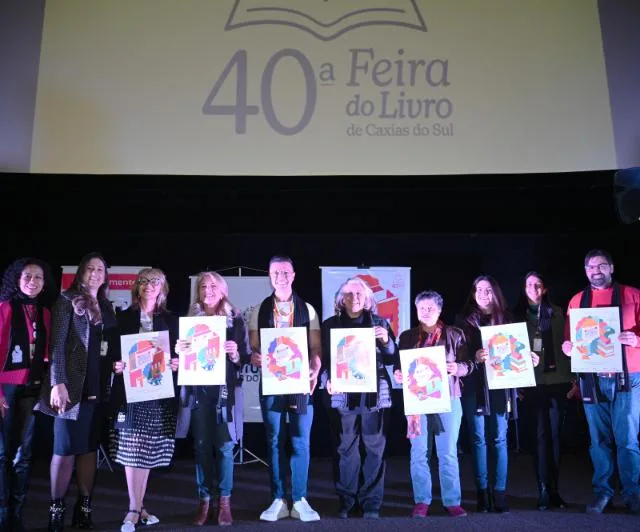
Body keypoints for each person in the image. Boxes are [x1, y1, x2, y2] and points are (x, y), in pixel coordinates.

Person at [36, 252, 117, 532]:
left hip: (98, 389)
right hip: (70, 388)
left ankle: (84, 508)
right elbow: (56, 345)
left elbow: (108, 347)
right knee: (64, 450)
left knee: (88, 450)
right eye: (90, 268)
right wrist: (57, 383)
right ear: (81, 272)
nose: (95, 273)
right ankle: (56, 509)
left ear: (105, 276)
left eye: (100, 270)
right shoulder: (66, 300)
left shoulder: (106, 307)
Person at [561, 249, 640, 514]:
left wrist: (637, 339)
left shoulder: (633, 295)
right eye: (590, 266)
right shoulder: (576, 301)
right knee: (598, 441)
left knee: (627, 440)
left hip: (629, 377)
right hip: (591, 378)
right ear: (585, 271)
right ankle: (603, 493)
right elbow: (569, 340)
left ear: (612, 267)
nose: (596, 270)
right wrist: (568, 347)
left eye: (601, 265)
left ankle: (633, 494)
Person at [457, 275, 539, 514]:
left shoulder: (509, 318)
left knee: (499, 439)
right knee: (478, 439)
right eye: (478, 289)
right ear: (473, 294)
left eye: (488, 289)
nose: (483, 293)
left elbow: (525, 346)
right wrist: (474, 357)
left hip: (501, 387)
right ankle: (483, 492)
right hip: (474, 387)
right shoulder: (463, 321)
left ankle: (499, 492)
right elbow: (457, 356)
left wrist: (531, 358)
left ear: (496, 292)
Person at [249, 255, 321, 522]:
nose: (281, 276)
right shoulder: (259, 309)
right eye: (276, 272)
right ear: (269, 276)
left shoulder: (308, 309)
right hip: (271, 383)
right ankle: (278, 499)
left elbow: (315, 349)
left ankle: (300, 499)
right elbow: (255, 348)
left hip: (300, 383)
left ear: (293, 275)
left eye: (285, 272)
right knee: (275, 441)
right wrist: (255, 357)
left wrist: (315, 366)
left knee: (301, 440)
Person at [175, 271, 250, 526]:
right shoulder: (189, 319)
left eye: (213, 286)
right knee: (202, 446)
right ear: (198, 291)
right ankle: (204, 500)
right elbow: (181, 355)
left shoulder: (235, 318)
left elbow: (246, 357)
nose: (208, 290)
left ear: (222, 290)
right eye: (204, 286)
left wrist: (235, 354)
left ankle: (225, 501)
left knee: (226, 446)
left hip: (225, 391)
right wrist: (179, 351)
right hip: (198, 390)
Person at [321, 277, 399, 519]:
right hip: (344, 396)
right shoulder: (330, 325)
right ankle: (347, 501)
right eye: (349, 294)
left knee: (375, 449)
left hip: (374, 396)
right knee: (346, 449)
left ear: (367, 299)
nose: (354, 298)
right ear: (340, 299)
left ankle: (372, 504)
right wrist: (327, 381)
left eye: (359, 294)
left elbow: (391, 359)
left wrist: (385, 341)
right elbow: (322, 362)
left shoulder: (380, 323)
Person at [109, 268, 179, 531]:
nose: (149, 286)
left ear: (163, 287)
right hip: (130, 393)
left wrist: (176, 363)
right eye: (144, 281)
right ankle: (134, 508)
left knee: (147, 451)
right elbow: (112, 355)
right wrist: (115, 365)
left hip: (158, 395)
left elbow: (180, 357)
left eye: (155, 282)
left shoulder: (171, 321)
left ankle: (139, 507)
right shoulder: (122, 318)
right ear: (137, 286)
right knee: (131, 449)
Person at [396, 290, 471, 518]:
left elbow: (468, 365)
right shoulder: (407, 337)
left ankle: (452, 501)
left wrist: (459, 368)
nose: (426, 312)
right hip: (417, 401)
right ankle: (422, 500)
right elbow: (402, 367)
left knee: (447, 452)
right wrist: (399, 374)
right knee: (419, 453)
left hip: (448, 399)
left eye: (430, 308)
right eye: (421, 308)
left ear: (439, 310)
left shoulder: (455, 334)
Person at [0, 257, 55, 531]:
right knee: (2, 455)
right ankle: (2, 513)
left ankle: (17, 516)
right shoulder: (5, 308)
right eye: (27, 277)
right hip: (5, 390)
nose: (33, 282)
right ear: (17, 280)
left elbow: (45, 354)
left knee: (24, 455)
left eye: (38, 277)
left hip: (32, 389)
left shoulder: (45, 313)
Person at [513, 271, 572, 510]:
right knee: (539, 436)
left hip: (558, 381)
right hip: (532, 383)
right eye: (529, 284)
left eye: (538, 284)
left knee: (556, 436)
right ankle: (543, 491)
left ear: (544, 288)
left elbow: (571, 345)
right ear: (524, 288)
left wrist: (575, 380)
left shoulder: (559, 313)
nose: (533, 288)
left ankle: (556, 490)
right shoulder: (516, 317)